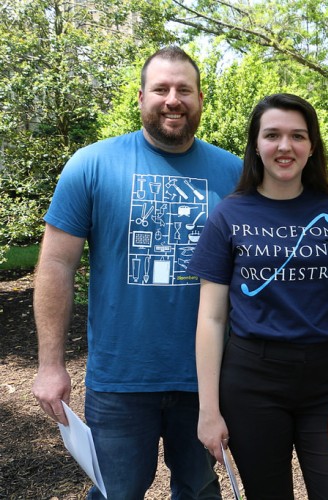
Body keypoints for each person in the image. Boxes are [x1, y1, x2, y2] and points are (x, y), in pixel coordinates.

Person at [31, 46, 242, 499]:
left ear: (201, 99)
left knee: (201, 492)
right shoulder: (92, 164)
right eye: (161, 89)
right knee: (115, 493)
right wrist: (50, 365)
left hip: (204, 379)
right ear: (141, 97)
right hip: (120, 379)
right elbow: (55, 263)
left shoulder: (235, 173)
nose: (173, 99)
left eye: (184, 89)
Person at [187, 93, 328, 499]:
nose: (285, 146)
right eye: (272, 135)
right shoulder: (228, 216)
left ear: (312, 146)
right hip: (251, 381)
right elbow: (212, 319)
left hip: (325, 380)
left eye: (297, 136)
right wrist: (208, 411)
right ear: (255, 145)